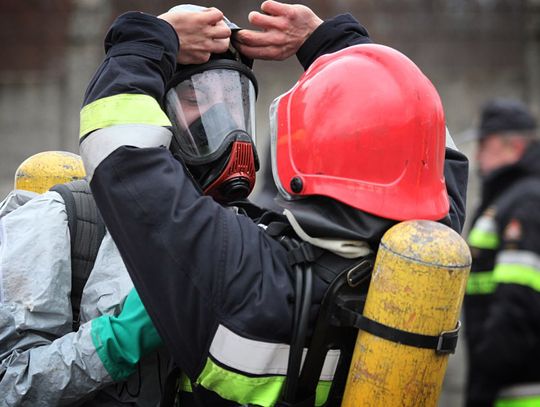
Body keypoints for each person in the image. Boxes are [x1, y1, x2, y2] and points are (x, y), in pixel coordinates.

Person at [77, 1, 469, 406]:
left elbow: (122, 157)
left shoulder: (238, 272)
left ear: (294, 153)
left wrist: (145, 41)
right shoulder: (427, 251)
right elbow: (430, 146)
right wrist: (335, 45)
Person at [0, 7, 258, 406]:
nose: (220, 115)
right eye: (196, 97)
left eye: (232, 97)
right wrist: (118, 338)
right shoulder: (65, 221)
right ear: (156, 112)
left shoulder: (244, 236)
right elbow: (8, 382)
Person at [464, 99, 540, 407]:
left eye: (485, 143)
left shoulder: (526, 202)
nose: (479, 154)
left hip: (518, 388)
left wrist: (486, 375)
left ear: (515, 147)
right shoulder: (507, 198)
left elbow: (519, 299)